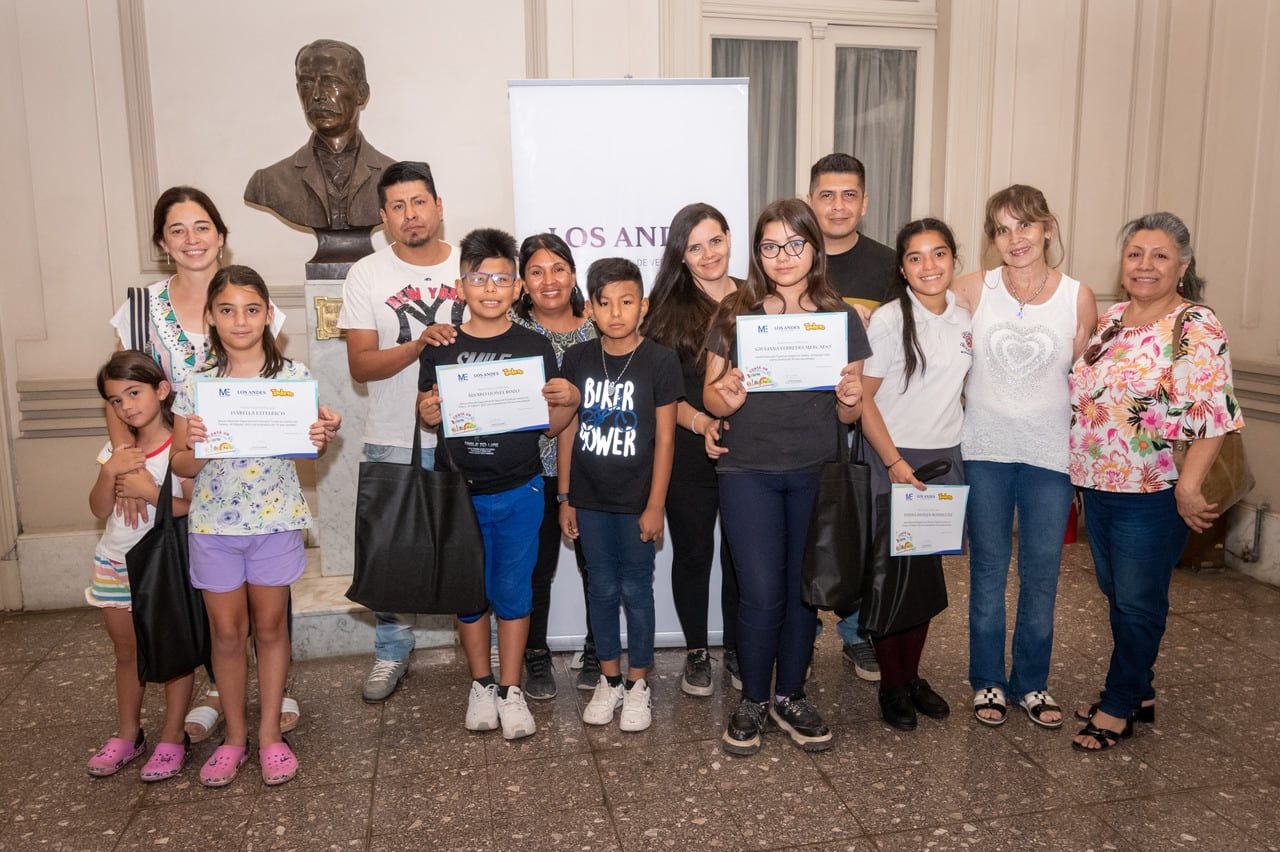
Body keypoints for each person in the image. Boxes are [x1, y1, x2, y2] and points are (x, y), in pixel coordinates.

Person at [106, 186, 296, 745]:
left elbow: (278, 393)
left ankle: (264, 701)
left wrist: (310, 427)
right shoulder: (140, 309)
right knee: (202, 601)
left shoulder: (253, 303)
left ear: (221, 233)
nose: (192, 239)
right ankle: (211, 695)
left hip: (251, 486)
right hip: (166, 472)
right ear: (162, 242)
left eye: (202, 226)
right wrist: (131, 473)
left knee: (263, 604)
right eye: (177, 229)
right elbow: (119, 392)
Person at [1067, 212, 1242, 751]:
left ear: (1182, 266)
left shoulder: (1195, 325)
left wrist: (1188, 488)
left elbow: (1214, 411)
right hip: (1097, 483)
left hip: (1154, 489)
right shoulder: (1112, 320)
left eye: (1160, 255)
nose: (1145, 265)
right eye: (1136, 254)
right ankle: (1139, 689)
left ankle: (1119, 705)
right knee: (1116, 592)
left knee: (1138, 602)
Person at [703, 199, 869, 756]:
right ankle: (753, 696)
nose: (783, 256)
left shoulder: (840, 317)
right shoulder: (734, 310)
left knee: (803, 593)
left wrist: (849, 399)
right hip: (747, 469)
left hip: (814, 470)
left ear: (813, 249)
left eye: (794, 244)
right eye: (770, 246)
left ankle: (790, 694)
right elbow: (708, 391)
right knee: (760, 591)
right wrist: (723, 395)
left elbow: (850, 412)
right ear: (758, 253)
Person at [171, 266, 341, 787]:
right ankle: (235, 738)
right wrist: (197, 445)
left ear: (269, 314)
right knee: (226, 633)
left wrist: (320, 437)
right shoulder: (197, 385)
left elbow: (307, 450)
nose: (239, 320)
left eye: (251, 309)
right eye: (226, 310)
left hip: (273, 522)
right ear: (211, 318)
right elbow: (180, 465)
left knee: (269, 629)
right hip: (213, 529)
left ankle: (269, 735)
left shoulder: (292, 379)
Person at [416, 228, 580, 740]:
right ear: (461, 285)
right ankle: (480, 683)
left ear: (516, 288)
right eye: (479, 278)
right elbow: (428, 418)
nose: (491, 288)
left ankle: (510, 689)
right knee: (469, 595)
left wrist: (567, 402)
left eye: (502, 279)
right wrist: (426, 412)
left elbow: (549, 426)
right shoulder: (441, 345)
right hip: (458, 494)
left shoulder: (532, 345)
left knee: (513, 592)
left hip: (520, 488)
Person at [952, 185, 1096, 729]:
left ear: (1047, 228)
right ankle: (986, 679)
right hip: (984, 450)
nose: (1015, 239)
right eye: (1002, 229)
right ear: (992, 238)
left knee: (1042, 573)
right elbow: (921, 309)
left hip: (1050, 457)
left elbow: (1087, 381)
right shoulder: (973, 288)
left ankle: (1031, 683)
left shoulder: (1078, 296)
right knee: (987, 570)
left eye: (1025, 226)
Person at [338, 161, 463, 703]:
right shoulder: (366, 274)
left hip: (472, 434)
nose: (410, 215)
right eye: (397, 207)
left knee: (471, 541)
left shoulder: (473, 263)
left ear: (438, 205)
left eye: (419, 202)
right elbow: (361, 366)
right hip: (393, 430)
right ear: (384, 218)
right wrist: (419, 344)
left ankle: (488, 649)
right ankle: (392, 649)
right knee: (391, 545)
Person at [854, 219, 971, 730]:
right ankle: (891, 684)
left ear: (952, 260)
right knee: (891, 580)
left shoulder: (965, 319)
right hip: (894, 460)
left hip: (943, 461)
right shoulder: (886, 319)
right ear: (902, 268)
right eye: (917, 257)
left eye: (939, 254)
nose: (929, 266)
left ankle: (912, 677)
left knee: (924, 579)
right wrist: (895, 462)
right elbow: (864, 400)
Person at [558, 258, 682, 732]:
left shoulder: (660, 361)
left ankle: (637, 683)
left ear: (643, 306)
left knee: (637, 590)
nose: (616, 312)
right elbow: (568, 430)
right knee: (601, 590)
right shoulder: (578, 360)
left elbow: (666, 440)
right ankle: (608, 679)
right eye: (605, 303)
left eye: (626, 302)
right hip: (588, 500)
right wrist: (565, 496)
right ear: (589, 308)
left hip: (636, 504)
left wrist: (655, 505)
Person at [641, 203, 741, 695]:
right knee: (696, 553)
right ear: (680, 256)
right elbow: (664, 396)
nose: (707, 255)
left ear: (729, 237)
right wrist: (702, 421)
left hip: (752, 453)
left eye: (714, 241)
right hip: (688, 449)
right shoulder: (665, 312)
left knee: (744, 556)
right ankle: (698, 650)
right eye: (694, 247)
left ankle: (742, 646)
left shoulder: (758, 298)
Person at [806, 153, 897, 682]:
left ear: (865, 202)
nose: (837, 206)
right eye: (826, 195)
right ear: (810, 199)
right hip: (797, 420)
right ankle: (801, 627)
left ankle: (857, 629)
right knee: (803, 527)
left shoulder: (889, 264)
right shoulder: (791, 256)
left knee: (861, 526)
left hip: (863, 417)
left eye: (848, 195)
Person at [85, 352, 195, 781]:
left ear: (161, 391)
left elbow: (192, 507)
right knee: (126, 652)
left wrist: (151, 493)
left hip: (162, 567)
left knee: (172, 652)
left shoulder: (179, 450)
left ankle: (173, 736)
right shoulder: (116, 450)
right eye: (115, 401)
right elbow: (98, 508)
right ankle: (129, 734)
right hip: (114, 563)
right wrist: (108, 472)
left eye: (134, 393)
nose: (126, 406)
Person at [512, 234, 598, 697]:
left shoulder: (598, 327)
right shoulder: (506, 327)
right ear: (523, 281)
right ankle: (535, 655)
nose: (549, 281)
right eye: (537, 271)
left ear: (573, 273)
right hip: (527, 471)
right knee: (536, 568)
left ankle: (596, 648)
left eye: (559, 268)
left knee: (595, 565)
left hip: (593, 468)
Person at [243, 39, 394, 231]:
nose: (317, 95)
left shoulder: (396, 179)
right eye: (306, 84)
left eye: (331, 82)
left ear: (361, 93)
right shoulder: (267, 182)